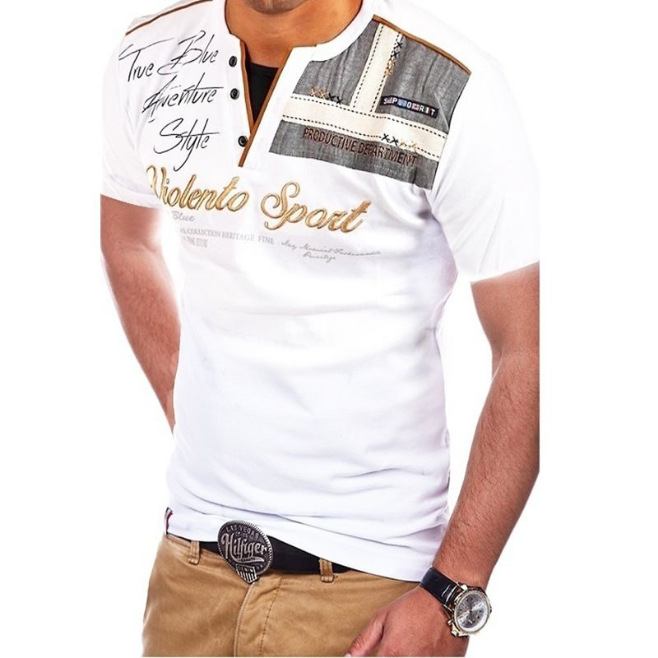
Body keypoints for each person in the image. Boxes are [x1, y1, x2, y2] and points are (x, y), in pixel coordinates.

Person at [100, 0, 540, 655]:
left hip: (369, 584)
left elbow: (530, 346)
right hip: (189, 571)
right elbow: (129, 240)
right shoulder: (147, 56)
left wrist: (455, 589)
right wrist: (184, 399)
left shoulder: (449, 84)